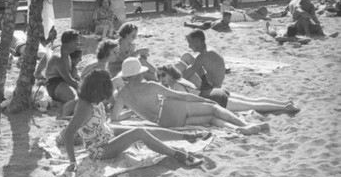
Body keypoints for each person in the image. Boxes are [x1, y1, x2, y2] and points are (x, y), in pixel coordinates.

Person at [60, 70, 204, 171]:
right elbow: (69, 133)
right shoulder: (84, 107)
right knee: (139, 132)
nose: (105, 99)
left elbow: (112, 80)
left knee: (145, 130)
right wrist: (72, 161)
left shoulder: (91, 96)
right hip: (100, 150)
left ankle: (186, 137)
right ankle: (178, 155)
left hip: (106, 132)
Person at [112, 58, 269, 135]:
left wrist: (131, 112)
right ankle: (244, 125)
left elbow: (114, 119)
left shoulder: (121, 95)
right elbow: (181, 96)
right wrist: (203, 100)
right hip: (170, 110)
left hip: (164, 123)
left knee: (211, 120)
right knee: (213, 108)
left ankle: (237, 129)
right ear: (139, 73)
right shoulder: (150, 86)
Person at [156, 64, 299, 113]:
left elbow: (186, 103)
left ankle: (285, 108)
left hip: (214, 98)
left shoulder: (175, 86)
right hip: (216, 91)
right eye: (159, 76)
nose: (161, 79)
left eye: (163, 75)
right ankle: (283, 103)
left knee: (253, 105)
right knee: (252, 100)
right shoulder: (181, 79)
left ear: (170, 73)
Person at [44, 29, 80, 111]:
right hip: (54, 84)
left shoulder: (64, 53)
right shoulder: (59, 57)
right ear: (70, 43)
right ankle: (65, 115)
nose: (77, 45)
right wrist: (82, 87)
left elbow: (46, 56)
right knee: (75, 100)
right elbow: (67, 78)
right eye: (76, 42)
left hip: (60, 83)